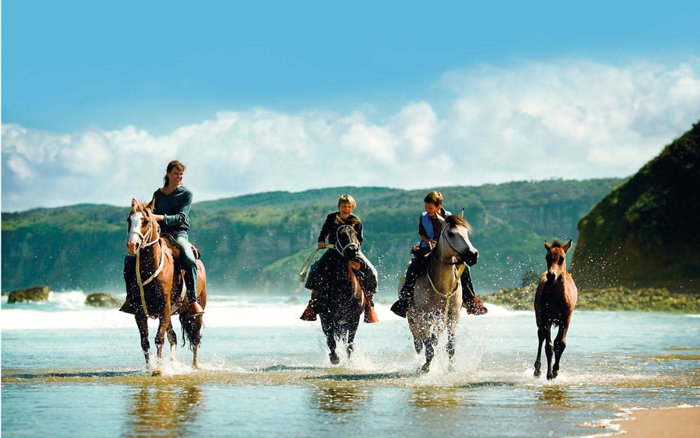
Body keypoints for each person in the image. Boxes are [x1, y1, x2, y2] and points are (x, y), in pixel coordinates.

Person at [390, 191, 487, 318]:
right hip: (427, 248)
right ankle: (404, 301)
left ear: (438, 207)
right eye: (425, 207)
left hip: (447, 250)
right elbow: (421, 233)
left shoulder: (449, 218)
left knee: (465, 269)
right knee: (413, 268)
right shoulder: (423, 217)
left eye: (430, 208)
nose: (427, 210)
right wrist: (428, 241)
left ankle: (470, 300)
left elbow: (456, 236)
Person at [300, 194, 378, 321]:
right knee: (315, 268)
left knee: (372, 271)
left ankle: (370, 302)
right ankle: (313, 300)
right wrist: (321, 241)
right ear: (339, 207)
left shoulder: (356, 221)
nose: (346, 209)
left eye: (349, 207)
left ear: (352, 207)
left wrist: (354, 251)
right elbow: (324, 231)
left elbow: (359, 239)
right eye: (344, 206)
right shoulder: (331, 218)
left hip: (352, 252)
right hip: (334, 251)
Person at [151, 160, 204, 317]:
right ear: (168, 173)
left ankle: (193, 301)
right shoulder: (158, 194)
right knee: (132, 257)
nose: (179, 177)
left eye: (181, 174)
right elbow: (150, 212)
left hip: (178, 234)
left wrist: (160, 217)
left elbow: (181, 218)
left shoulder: (186, 194)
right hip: (159, 234)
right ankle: (132, 299)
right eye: (176, 173)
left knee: (188, 257)